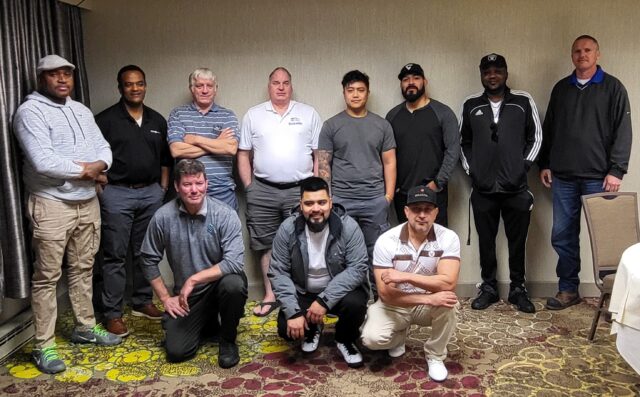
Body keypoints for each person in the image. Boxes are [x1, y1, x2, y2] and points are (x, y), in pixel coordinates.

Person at [13, 54, 121, 374]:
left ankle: (84, 328)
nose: (62, 80)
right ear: (41, 78)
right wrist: (90, 173)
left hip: (87, 203)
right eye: (54, 75)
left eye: (67, 74)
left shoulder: (81, 110)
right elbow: (42, 161)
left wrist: (99, 166)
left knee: (83, 268)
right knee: (47, 277)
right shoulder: (29, 111)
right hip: (51, 204)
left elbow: (104, 149)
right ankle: (43, 345)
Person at [538, 35, 632, 310]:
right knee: (563, 234)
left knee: (605, 238)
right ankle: (568, 289)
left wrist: (616, 170)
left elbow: (623, 132)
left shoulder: (613, 88)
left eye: (588, 50)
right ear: (572, 56)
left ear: (597, 54)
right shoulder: (561, 89)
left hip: (598, 177)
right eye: (577, 51)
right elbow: (549, 129)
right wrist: (545, 163)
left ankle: (611, 297)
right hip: (563, 177)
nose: (582, 55)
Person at [140, 159, 247, 367]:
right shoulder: (163, 216)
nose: (194, 190)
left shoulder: (224, 214)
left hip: (219, 287)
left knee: (234, 284)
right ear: (177, 187)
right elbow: (147, 258)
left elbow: (234, 262)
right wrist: (164, 298)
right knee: (177, 352)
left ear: (206, 183)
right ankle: (206, 323)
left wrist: (194, 279)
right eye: (187, 185)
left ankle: (227, 340)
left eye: (199, 183)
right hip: (187, 298)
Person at [459, 53, 542, 313]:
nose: (492, 76)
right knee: (486, 241)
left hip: (516, 187)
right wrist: (474, 171)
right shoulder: (471, 104)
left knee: (518, 241)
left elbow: (536, 137)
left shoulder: (523, 101)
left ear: (506, 73)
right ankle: (489, 287)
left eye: (497, 71)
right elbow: (463, 142)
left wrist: (522, 167)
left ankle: (518, 288)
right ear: (481, 74)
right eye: (487, 72)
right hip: (483, 189)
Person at [238, 67, 322, 316]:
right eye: (276, 83)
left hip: (301, 190)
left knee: (305, 243)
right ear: (269, 86)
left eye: (286, 82)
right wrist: (249, 188)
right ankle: (270, 294)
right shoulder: (254, 115)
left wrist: (317, 191)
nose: (281, 87)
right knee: (266, 244)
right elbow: (243, 153)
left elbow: (320, 155)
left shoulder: (308, 114)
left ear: (291, 86)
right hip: (262, 190)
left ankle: (301, 294)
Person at [95, 65, 171, 337]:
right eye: (129, 84)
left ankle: (142, 301)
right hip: (116, 193)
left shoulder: (157, 121)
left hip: (151, 193)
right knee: (114, 255)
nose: (135, 88)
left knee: (146, 252)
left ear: (146, 85)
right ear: (120, 88)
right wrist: (102, 190)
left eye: (139, 83)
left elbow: (165, 159)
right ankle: (112, 313)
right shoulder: (105, 120)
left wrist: (162, 189)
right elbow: (93, 157)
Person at [360, 186, 460, 382]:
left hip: (425, 306)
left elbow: (448, 282)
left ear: (436, 212)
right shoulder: (386, 241)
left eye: (427, 209)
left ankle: (435, 355)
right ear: (406, 212)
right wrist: (429, 297)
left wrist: (404, 277)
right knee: (370, 339)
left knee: (449, 302)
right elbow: (386, 293)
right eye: (416, 209)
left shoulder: (448, 237)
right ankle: (398, 335)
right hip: (394, 304)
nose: (422, 215)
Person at [269, 177, 369, 368]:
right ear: (301, 206)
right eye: (309, 203)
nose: (316, 208)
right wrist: (293, 312)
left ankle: (344, 338)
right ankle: (313, 327)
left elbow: (358, 268)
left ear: (330, 203)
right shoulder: (287, 228)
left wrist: (324, 300)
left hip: (338, 293)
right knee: (285, 329)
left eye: (322, 202)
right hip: (304, 292)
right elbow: (278, 271)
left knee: (356, 303)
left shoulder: (348, 226)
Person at [318, 70, 397, 296]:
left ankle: (380, 301)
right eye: (350, 90)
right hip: (342, 201)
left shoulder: (382, 126)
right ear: (344, 93)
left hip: (375, 200)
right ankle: (346, 301)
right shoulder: (331, 125)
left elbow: (389, 162)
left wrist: (388, 197)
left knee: (378, 253)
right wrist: (328, 199)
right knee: (340, 253)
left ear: (367, 93)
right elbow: (323, 165)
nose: (355, 95)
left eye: (360, 90)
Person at [386, 63, 459, 226]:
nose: (411, 82)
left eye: (416, 78)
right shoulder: (392, 116)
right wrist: (393, 188)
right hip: (403, 196)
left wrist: (437, 183)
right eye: (406, 79)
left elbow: (453, 150)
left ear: (425, 82)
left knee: (435, 245)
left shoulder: (443, 113)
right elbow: (386, 155)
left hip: (433, 193)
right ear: (401, 84)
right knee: (406, 246)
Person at [167, 68, 239, 210]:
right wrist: (217, 143)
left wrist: (194, 139)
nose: (205, 90)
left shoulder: (227, 115)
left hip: (223, 191)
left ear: (215, 89)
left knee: (226, 232)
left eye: (209, 86)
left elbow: (230, 148)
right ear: (191, 89)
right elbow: (176, 150)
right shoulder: (178, 114)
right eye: (199, 86)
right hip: (189, 191)